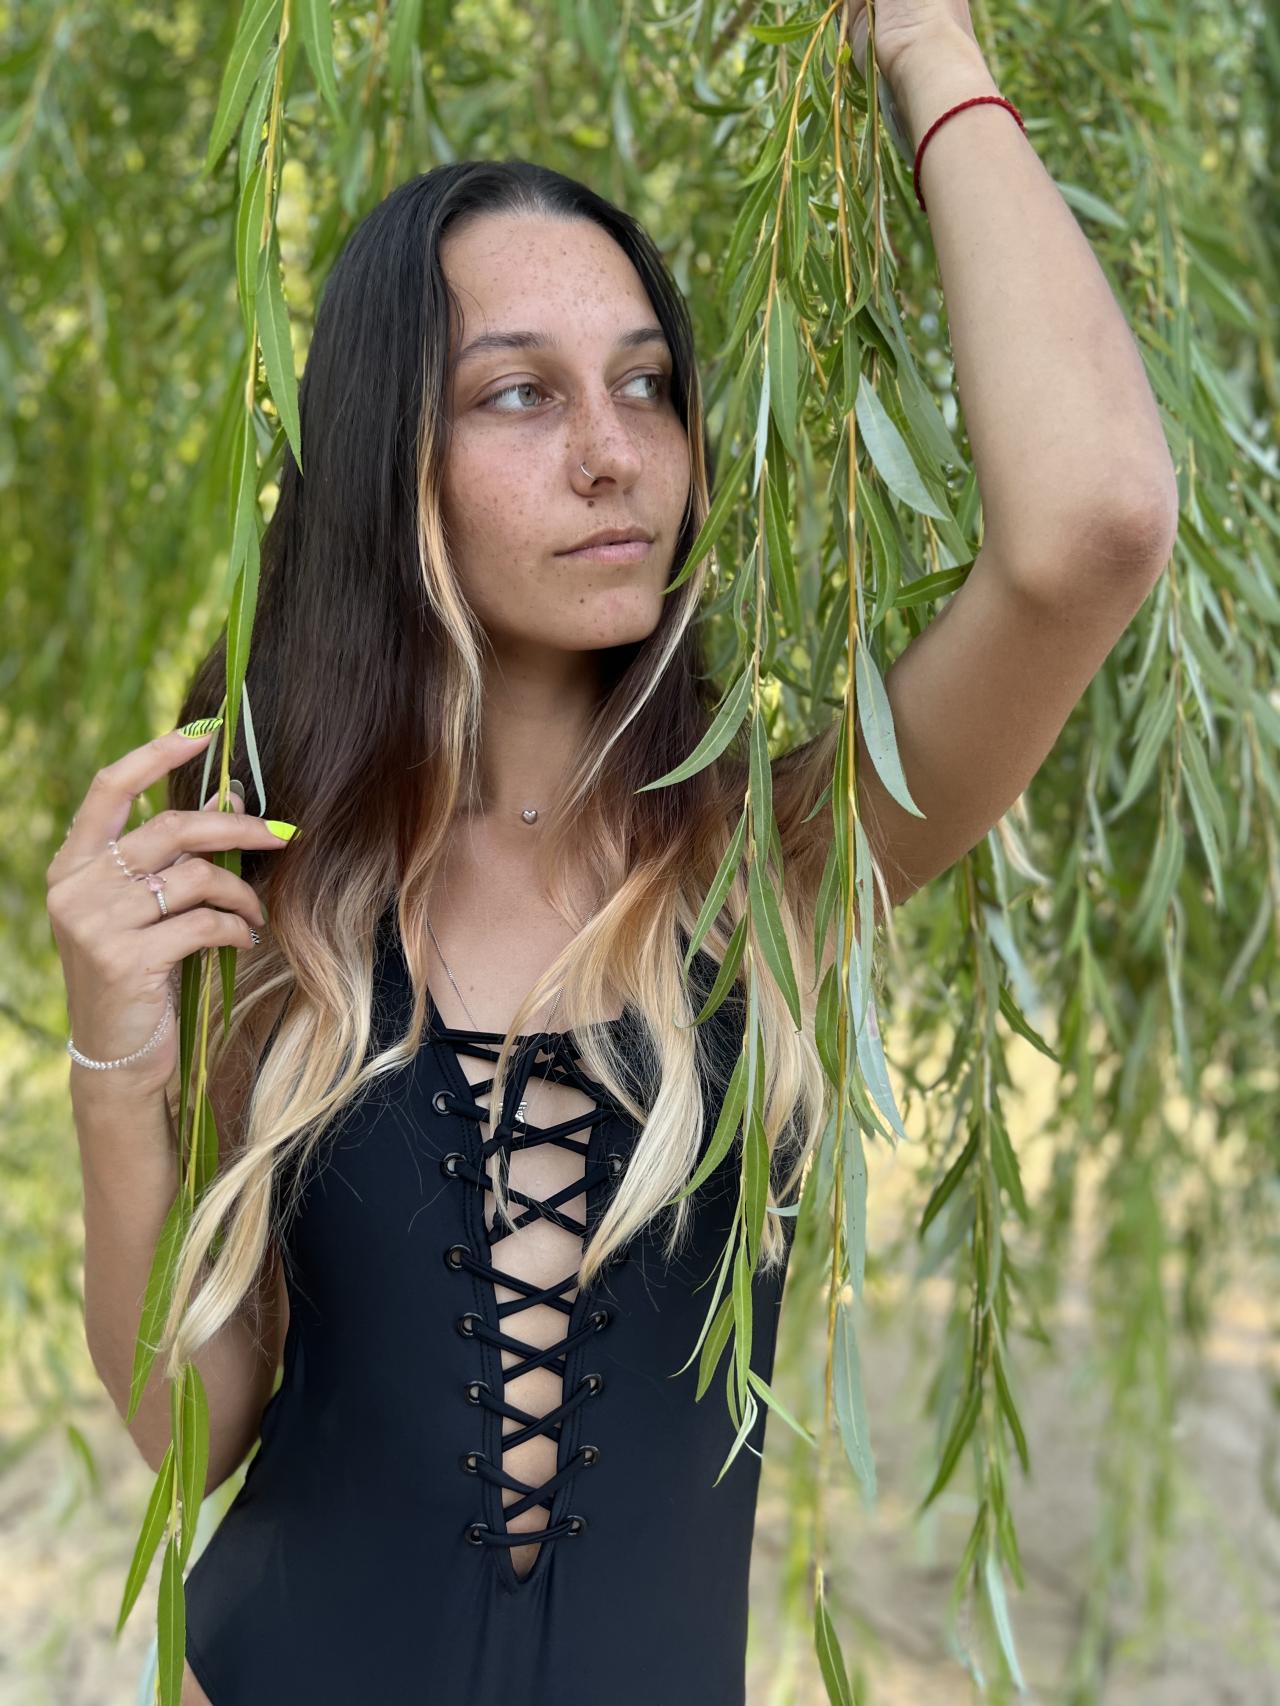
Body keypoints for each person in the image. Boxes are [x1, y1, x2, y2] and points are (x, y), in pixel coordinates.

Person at [49, 38, 1178, 1701]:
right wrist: (115, 1066)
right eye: (520, 393)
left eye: (647, 384)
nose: (613, 451)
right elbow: (188, 1431)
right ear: (387, 454)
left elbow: (1094, 528)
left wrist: (928, 44)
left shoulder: (779, 863)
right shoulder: (282, 873)